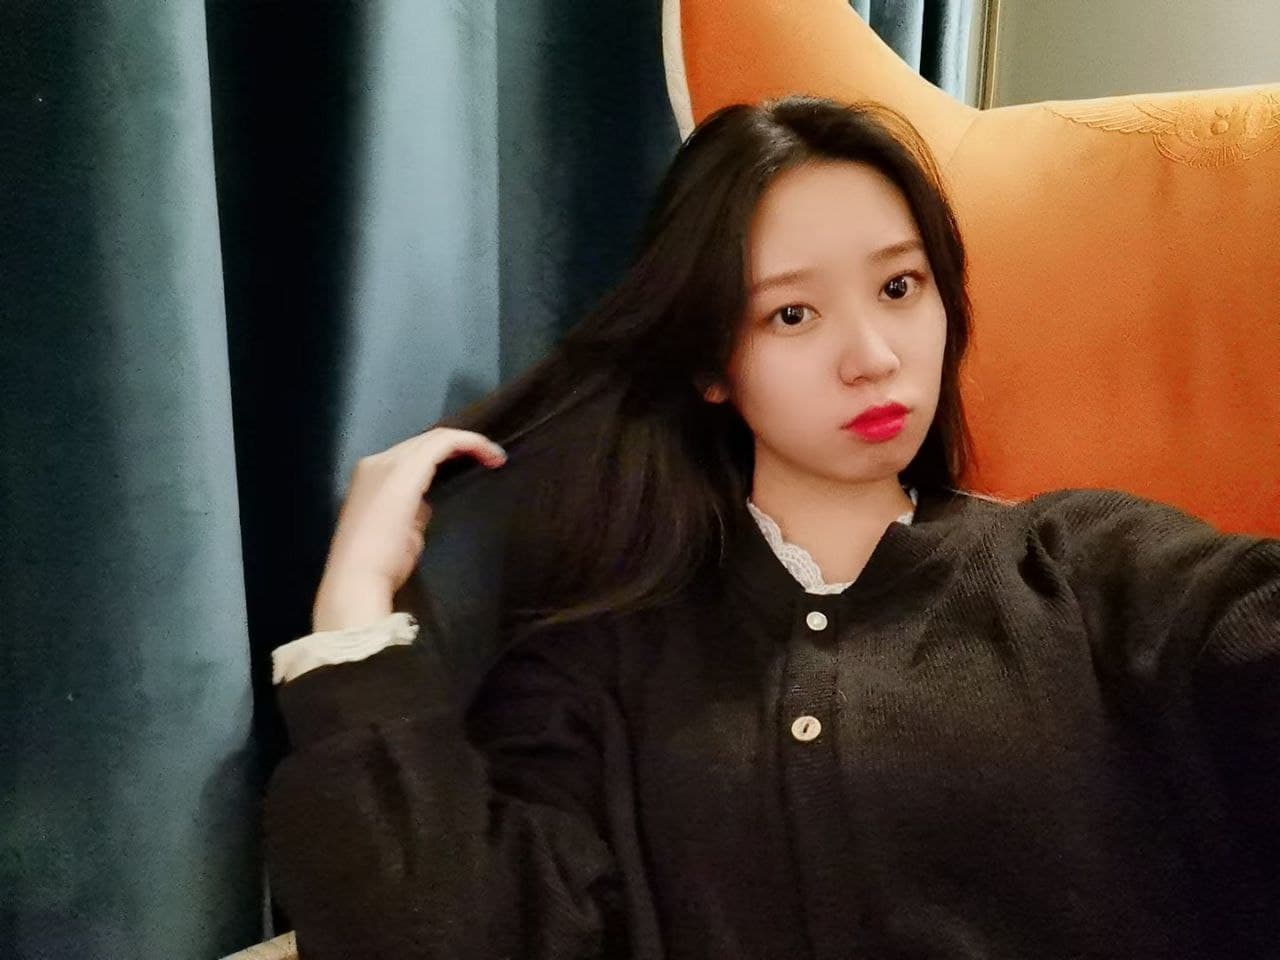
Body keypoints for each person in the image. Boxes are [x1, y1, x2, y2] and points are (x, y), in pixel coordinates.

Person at [263, 97, 1279, 960]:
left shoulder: (1088, 570)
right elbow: (437, 932)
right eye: (792, 314)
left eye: (899, 287)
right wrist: (353, 624)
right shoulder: (600, 667)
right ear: (711, 363)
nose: (872, 355)